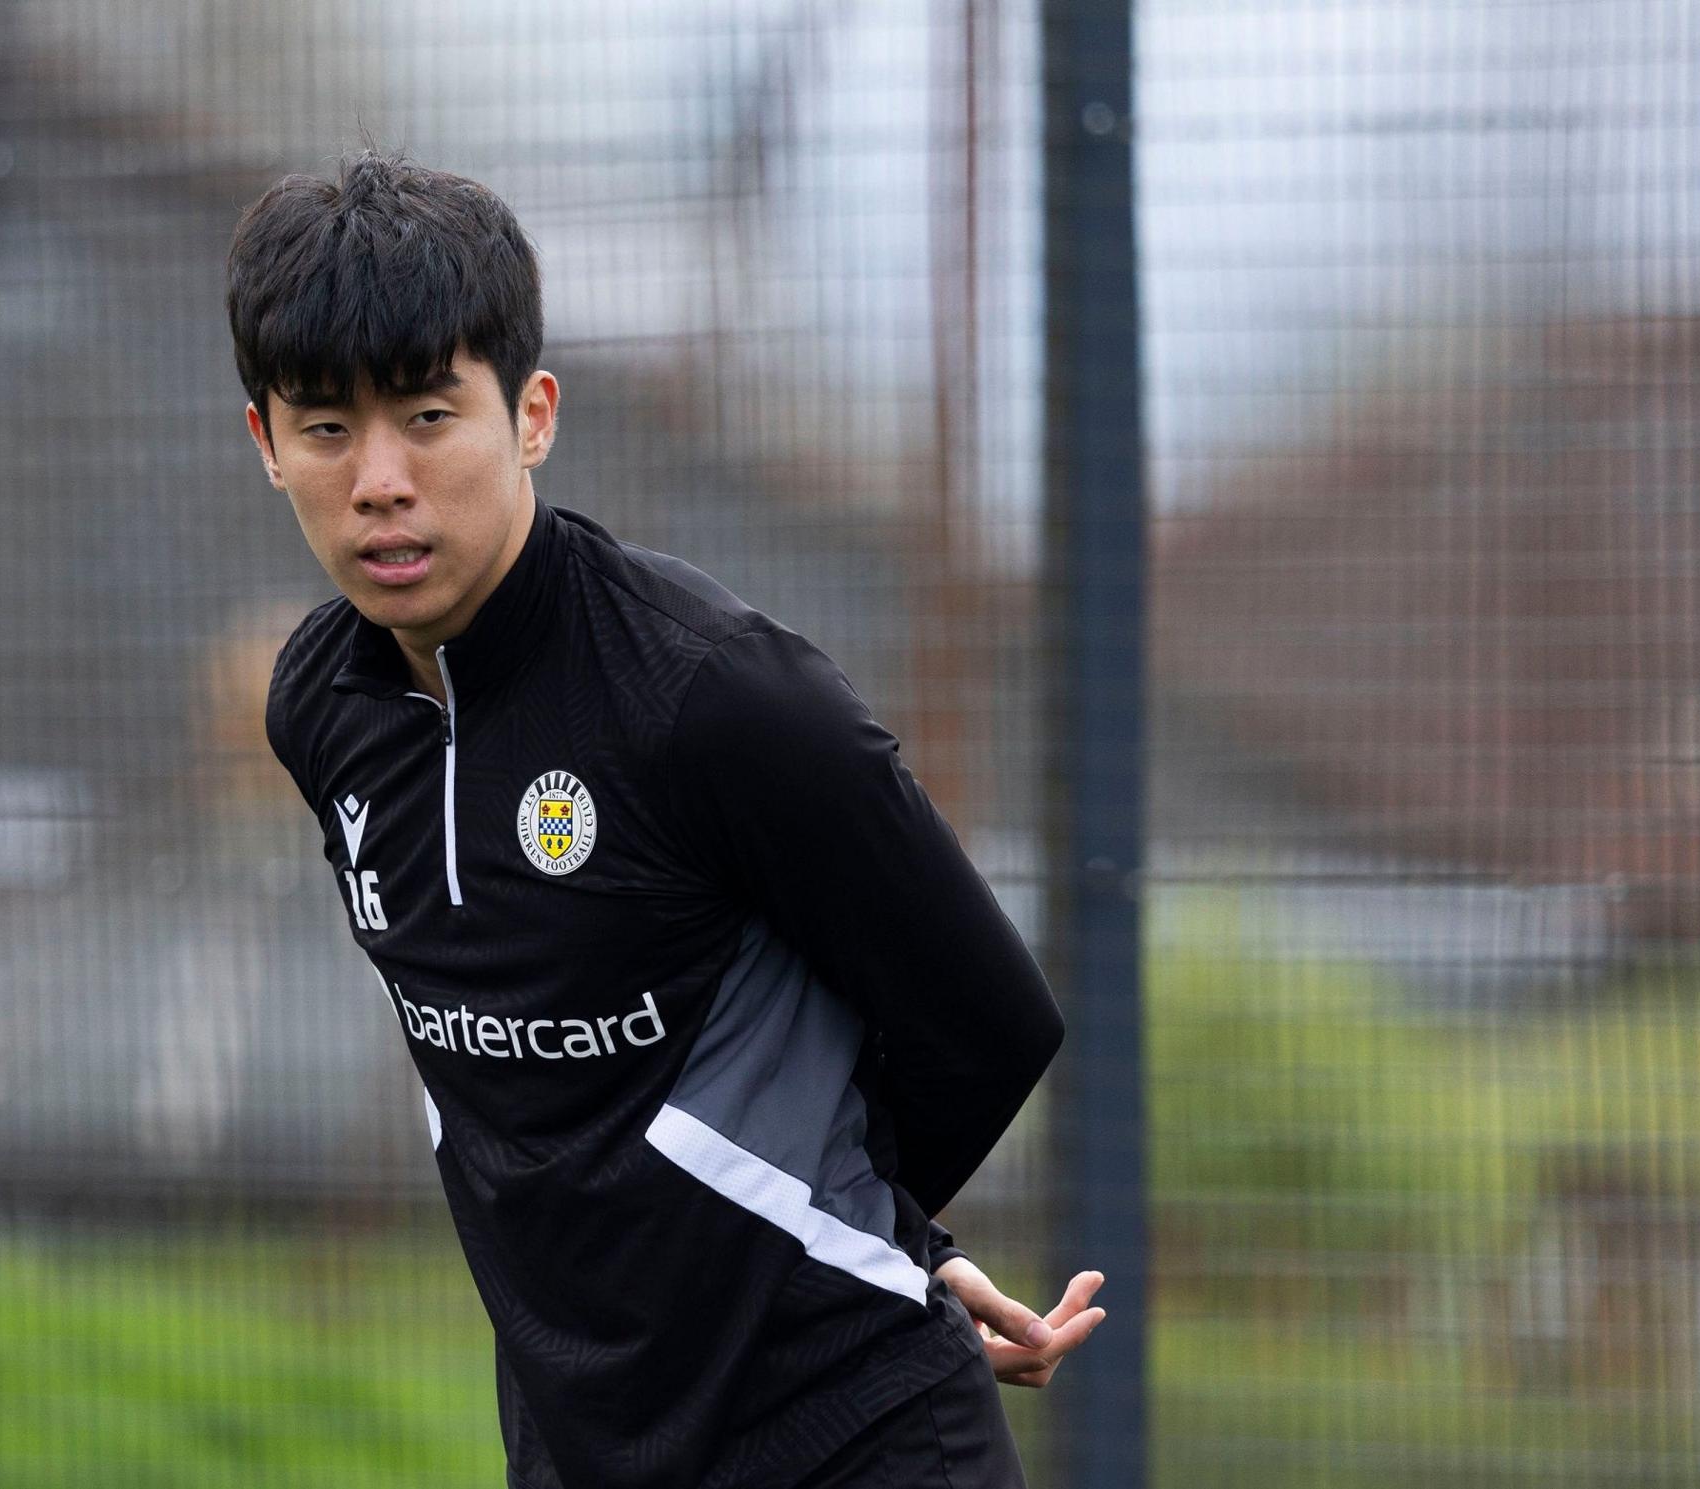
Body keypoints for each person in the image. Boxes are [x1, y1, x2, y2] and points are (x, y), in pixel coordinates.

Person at [228, 149, 1104, 1489]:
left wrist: (872, 1237)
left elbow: (986, 1017)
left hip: (852, 1430)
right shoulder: (320, 710)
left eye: (428, 416)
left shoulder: (715, 696)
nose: (381, 480)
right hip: (580, 1453)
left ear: (532, 415)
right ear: (266, 444)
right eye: (328, 428)